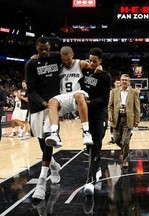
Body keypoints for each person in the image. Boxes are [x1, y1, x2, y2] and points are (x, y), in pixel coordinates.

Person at [25, 36, 62, 200]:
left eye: (47, 48)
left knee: (48, 140)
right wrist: (42, 102)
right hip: (37, 108)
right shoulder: (31, 64)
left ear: (50, 46)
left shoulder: (56, 56)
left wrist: (50, 104)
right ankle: (54, 166)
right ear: (36, 49)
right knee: (42, 143)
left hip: (53, 107)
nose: (45, 51)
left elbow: (71, 56)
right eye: (41, 49)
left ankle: (42, 181)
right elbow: (30, 90)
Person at [44, 46, 93, 148]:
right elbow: (46, 57)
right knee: (52, 101)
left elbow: (93, 67)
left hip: (76, 95)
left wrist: (98, 68)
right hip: (63, 96)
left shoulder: (80, 63)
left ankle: (86, 132)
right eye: (63, 59)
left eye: (68, 59)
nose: (66, 62)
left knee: (79, 95)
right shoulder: (58, 66)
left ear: (72, 55)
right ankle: (54, 134)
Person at [79, 47, 112, 195]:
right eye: (90, 60)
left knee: (95, 146)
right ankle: (97, 168)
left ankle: (90, 180)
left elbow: (105, 99)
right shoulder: (84, 72)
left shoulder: (105, 76)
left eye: (95, 61)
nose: (92, 63)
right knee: (89, 148)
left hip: (99, 115)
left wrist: (89, 102)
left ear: (100, 61)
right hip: (86, 116)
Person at [108, 74, 141, 169]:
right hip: (116, 118)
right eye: (122, 80)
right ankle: (125, 148)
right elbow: (110, 106)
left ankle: (125, 160)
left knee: (125, 141)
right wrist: (110, 115)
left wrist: (137, 119)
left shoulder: (134, 92)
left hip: (128, 119)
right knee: (117, 140)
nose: (124, 82)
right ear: (120, 81)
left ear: (129, 81)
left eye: (126, 80)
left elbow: (137, 107)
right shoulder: (113, 92)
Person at [108, 80, 121, 144]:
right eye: (117, 83)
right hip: (113, 112)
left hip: (121, 111)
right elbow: (110, 103)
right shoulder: (112, 92)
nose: (118, 84)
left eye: (119, 83)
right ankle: (112, 138)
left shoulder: (123, 91)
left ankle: (120, 138)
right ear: (114, 84)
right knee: (111, 126)